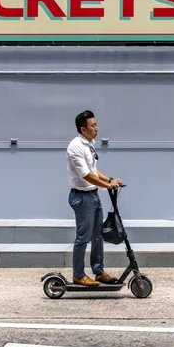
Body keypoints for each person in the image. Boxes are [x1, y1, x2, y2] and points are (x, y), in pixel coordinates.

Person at [66, 110, 122, 287]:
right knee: (83, 237)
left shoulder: (89, 144)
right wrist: (107, 186)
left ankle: (98, 271)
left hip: (92, 195)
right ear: (83, 129)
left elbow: (93, 169)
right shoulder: (75, 147)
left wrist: (109, 180)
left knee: (97, 236)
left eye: (96, 125)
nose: (97, 129)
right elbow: (86, 175)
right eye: (93, 125)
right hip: (82, 198)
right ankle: (78, 275)